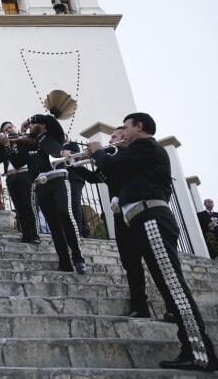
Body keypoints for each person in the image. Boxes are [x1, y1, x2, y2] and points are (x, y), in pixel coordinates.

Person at [90, 112, 218, 372]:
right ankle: (196, 349)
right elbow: (115, 174)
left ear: (139, 126)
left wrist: (97, 152)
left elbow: (112, 166)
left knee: (172, 285)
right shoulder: (137, 152)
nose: (123, 133)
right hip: (142, 220)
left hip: (151, 219)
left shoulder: (147, 146)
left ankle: (199, 351)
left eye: (125, 127)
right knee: (167, 283)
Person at [75, 127, 153, 317]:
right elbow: (96, 178)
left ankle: (171, 306)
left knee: (154, 260)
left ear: (125, 137)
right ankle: (139, 305)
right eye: (110, 138)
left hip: (140, 213)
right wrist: (75, 164)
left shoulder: (129, 156)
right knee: (129, 261)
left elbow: (113, 168)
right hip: (120, 216)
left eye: (114, 137)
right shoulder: (112, 160)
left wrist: (98, 153)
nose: (110, 141)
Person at [21, 114, 86, 274]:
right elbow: (16, 162)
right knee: (54, 227)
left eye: (34, 124)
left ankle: (78, 257)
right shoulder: (29, 144)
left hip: (58, 180)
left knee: (65, 213)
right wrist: (12, 145)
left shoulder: (52, 134)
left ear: (42, 125)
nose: (30, 127)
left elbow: (50, 120)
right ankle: (65, 262)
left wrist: (29, 120)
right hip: (41, 185)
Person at [0, 121, 39, 244]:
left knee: (28, 205)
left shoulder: (23, 141)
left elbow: (21, 160)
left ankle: (34, 235)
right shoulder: (4, 145)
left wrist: (7, 145)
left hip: (24, 175)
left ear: (15, 128)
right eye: (6, 130)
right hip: (11, 178)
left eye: (10, 127)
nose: (9, 130)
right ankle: (26, 234)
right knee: (19, 207)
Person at [62, 137, 90, 238]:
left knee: (74, 203)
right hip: (64, 178)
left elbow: (78, 156)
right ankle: (84, 229)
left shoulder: (71, 144)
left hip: (75, 177)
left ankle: (78, 231)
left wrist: (68, 153)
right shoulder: (54, 147)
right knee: (71, 204)